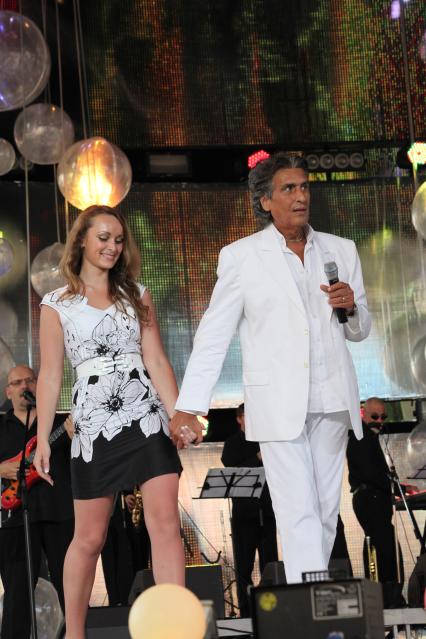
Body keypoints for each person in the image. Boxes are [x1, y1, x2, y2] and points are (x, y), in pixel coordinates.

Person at [170, 152, 371, 583]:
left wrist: (352, 307)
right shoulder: (241, 257)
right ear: (265, 201)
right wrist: (190, 404)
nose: (301, 196)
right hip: (278, 403)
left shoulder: (341, 249)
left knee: (324, 511)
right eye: (289, 188)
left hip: (333, 397)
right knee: (297, 508)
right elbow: (213, 334)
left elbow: (359, 330)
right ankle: (313, 600)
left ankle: (311, 591)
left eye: (304, 187)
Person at [33, 205, 184, 639]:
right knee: (89, 538)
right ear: (82, 239)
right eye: (103, 238)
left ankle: (175, 626)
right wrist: (43, 439)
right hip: (94, 424)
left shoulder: (138, 294)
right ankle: (75, 633)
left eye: (118, 240)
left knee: (164, 524)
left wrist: (178, 415)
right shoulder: (56, 304)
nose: (112, 247)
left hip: (146, 415)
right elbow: (50, 375)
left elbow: (156, 360)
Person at [0, 365, 74, 639]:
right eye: (17, 382)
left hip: (59, 512)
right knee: (17, 593)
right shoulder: (2, 426)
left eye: (29, 380)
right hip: (16, 517)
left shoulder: (59, 423)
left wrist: (75, 437)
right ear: (8, 391)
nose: (24, 386)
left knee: (71, 587)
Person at [346, 397, 405, 607]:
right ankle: (384, 594)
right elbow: (370, 473)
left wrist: (398, 487)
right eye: (375, 416)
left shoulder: (369, 438)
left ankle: (386, 593)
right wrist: (396, 487)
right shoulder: (360, 437)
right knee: (381, 543)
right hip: (369, 498)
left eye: (383, 417)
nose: (379, 421)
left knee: (382, 542)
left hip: (373, 497)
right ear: (363, 414)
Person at [221, 403, 278, 616]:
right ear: (239, 418)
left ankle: (270, 608)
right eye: (247, 415)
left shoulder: (265, 440)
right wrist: (257, 459)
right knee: (244, 565)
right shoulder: (232, 443)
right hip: (244, 513)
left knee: (270, 563)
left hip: (267, 510)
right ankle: (245, 610)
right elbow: (231, 467)